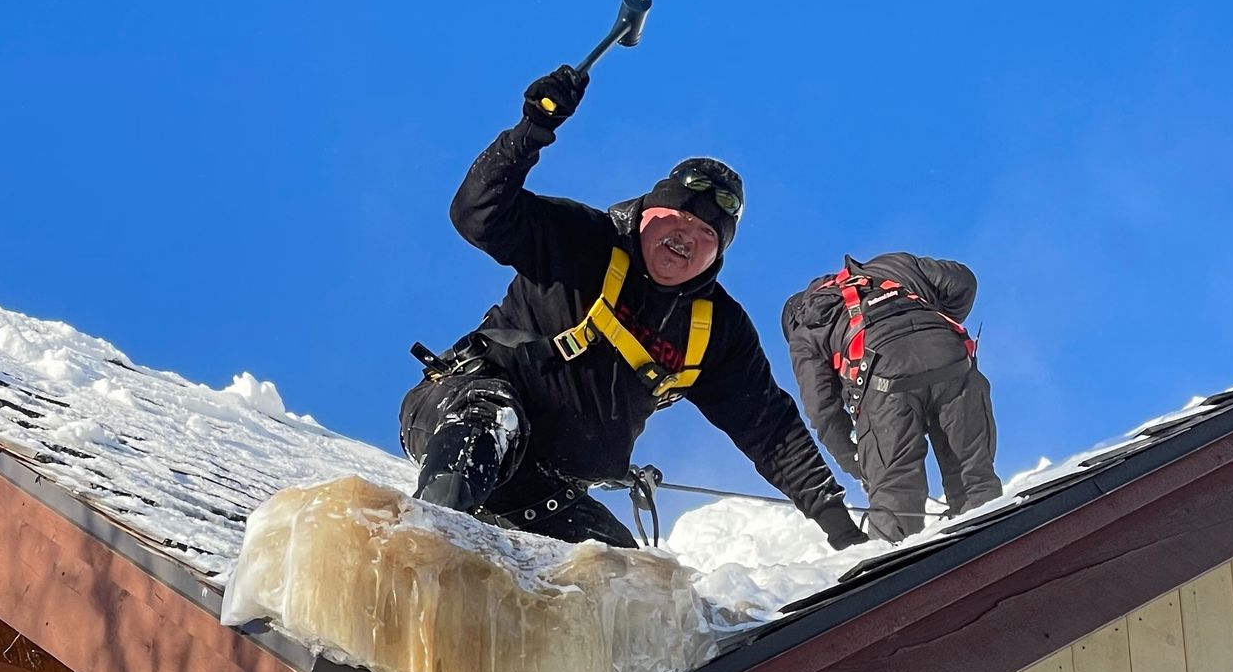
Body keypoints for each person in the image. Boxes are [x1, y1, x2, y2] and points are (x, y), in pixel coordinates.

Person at [402, 63, 866, 551]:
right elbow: (478, 215)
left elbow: (771, 432)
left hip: (545, 486)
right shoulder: (581, 240)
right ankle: (424, 545)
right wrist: (531, 131)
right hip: (464, 413)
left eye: (706, 234)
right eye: (679, 218)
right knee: (492, 419)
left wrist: (841, 529)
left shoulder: (716, 330)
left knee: (624, 570)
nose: (687, 237)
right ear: (648, 212)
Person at [782, 253, 999, 543]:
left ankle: (903, 567)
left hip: (884, 386)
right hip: (954, 363)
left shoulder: (804, 324)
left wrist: (858, 463)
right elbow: (962, 281)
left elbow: (823, 411)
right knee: (975, 482)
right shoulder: (892, 265)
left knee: (896, 501)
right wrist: (934, 326)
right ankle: (998, 553)